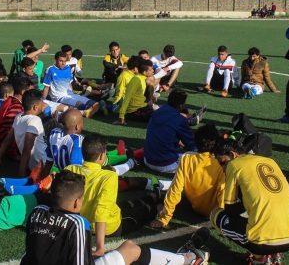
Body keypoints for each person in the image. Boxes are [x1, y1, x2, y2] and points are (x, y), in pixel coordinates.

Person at [21, 171, 209, 265]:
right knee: (129, 249)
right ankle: (188, 259)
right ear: (77, 202)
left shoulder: (37, 211)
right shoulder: (77, 223)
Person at [65, 135, 163, 256]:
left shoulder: (69, 169)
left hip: (81, 220)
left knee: (123, 206)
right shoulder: (108, 177)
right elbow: (101, 211)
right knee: (143, 212)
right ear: (101, 156)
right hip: (109, 227)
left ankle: (151, 197)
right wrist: (100, 247)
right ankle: (155, 205)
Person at [210, 142, 289, 265]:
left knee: (216, 215)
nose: (223, 167)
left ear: (232, 154)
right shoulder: (270, 161)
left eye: (223, 162)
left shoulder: (234, 165)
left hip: (262, 242)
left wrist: (245, 202)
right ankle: (274, 254)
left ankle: (259, 258)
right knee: (258, 216)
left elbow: (230, 211)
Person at [150, 124, 225, 229]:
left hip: (194, 205)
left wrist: (164, 218)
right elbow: (222, 193)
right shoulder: (220, 165)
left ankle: (160, 204)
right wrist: (220, 219)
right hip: (213, 213)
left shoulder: (187, 158)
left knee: (168, 196)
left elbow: (175, 189)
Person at [48, 109, 134, 175]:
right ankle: (127, 157)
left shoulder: (54, 133)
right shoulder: (77, 139)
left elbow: (49, 158)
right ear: (77, 126)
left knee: (96, 151)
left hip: (62, 170)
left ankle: (117, 151)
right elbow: (77, 166)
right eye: (82, 122)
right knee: (101, 159)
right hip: (78, 177)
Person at [143, 89, 196, 173]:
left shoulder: (157, 112)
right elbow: (191, 145)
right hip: (165, 164)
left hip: (147, 160)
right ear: (181, 105)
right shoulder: (180, 120)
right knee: (200, 159)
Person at [43, 51, 99, 118]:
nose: (63, 63)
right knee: (81, 105)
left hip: (70, 94)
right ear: (55, 60)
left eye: (65, 61)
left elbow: (70, 84)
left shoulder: (67, 68)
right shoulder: (50, 70)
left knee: (96, 104)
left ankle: (85, 111)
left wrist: (74, 93)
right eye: (60, 61)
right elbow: (46, 87)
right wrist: (43, 100)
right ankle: (84, 112)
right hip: (60, 98)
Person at [0, 77, 30, 158]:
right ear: (23, 92)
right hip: (6, 147)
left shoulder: (8, 101)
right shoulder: (17, 107)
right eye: (30, 91)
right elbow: (8, 132)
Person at [116, 59, 155, 125]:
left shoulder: (145, 79)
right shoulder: (136, 80)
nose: (153, 71)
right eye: (150, 70)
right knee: (159, 118)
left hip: (142, 107)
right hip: (134, 111)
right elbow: (127, 97)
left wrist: (150, 86)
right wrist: (121, 116)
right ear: (145, 72)